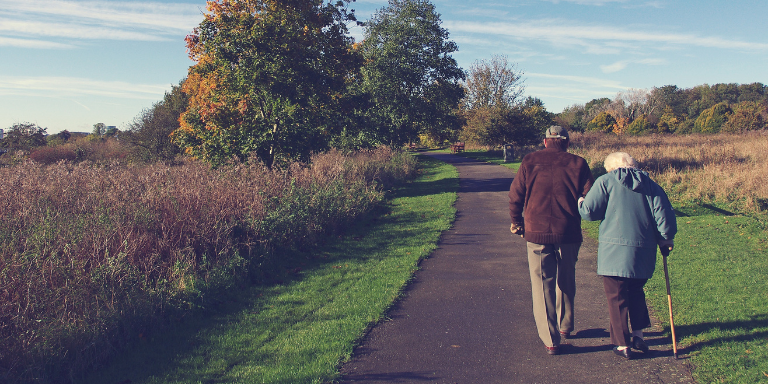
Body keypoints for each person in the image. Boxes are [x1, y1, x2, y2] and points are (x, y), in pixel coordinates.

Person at [578, 152, 677, 360]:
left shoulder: (605, 182)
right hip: (644, 251)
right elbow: (664, 218)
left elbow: (589, 212)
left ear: (610, 168)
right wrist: (666, 239)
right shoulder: (651, 185)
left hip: (614, 251)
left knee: (617, 296)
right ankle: (638, 335)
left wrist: (580, 201)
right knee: (636, 291)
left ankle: (622, 344)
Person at [508, 125, 594, 356]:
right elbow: (590, 197)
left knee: (542, 284)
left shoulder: (529, 160)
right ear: (567, 142)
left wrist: (517, 222)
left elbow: (515, 194)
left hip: (536, 232)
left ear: (545, 141)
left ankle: (551, 339)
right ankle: (565, 325)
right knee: (566, 278)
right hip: (568, 231)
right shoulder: (579, 163)